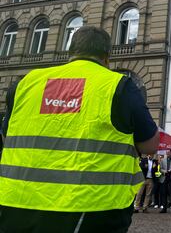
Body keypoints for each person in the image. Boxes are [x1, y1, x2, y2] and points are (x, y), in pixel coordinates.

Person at [0, 26, 159, 232]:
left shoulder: (25, 83)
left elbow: (7, 136)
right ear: (106, 57)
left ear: (70, 51)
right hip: (90, 208)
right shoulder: (118, 85)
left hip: (16, 203)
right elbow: (151, 145)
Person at [159, 149, 171, 214]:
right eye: (166, 153)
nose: (167, 154)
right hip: (164, 178)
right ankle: (164, 208)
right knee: (164, 194)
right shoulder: (162, 160)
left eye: (168, 152)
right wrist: (165, 171)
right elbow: (160, 169)